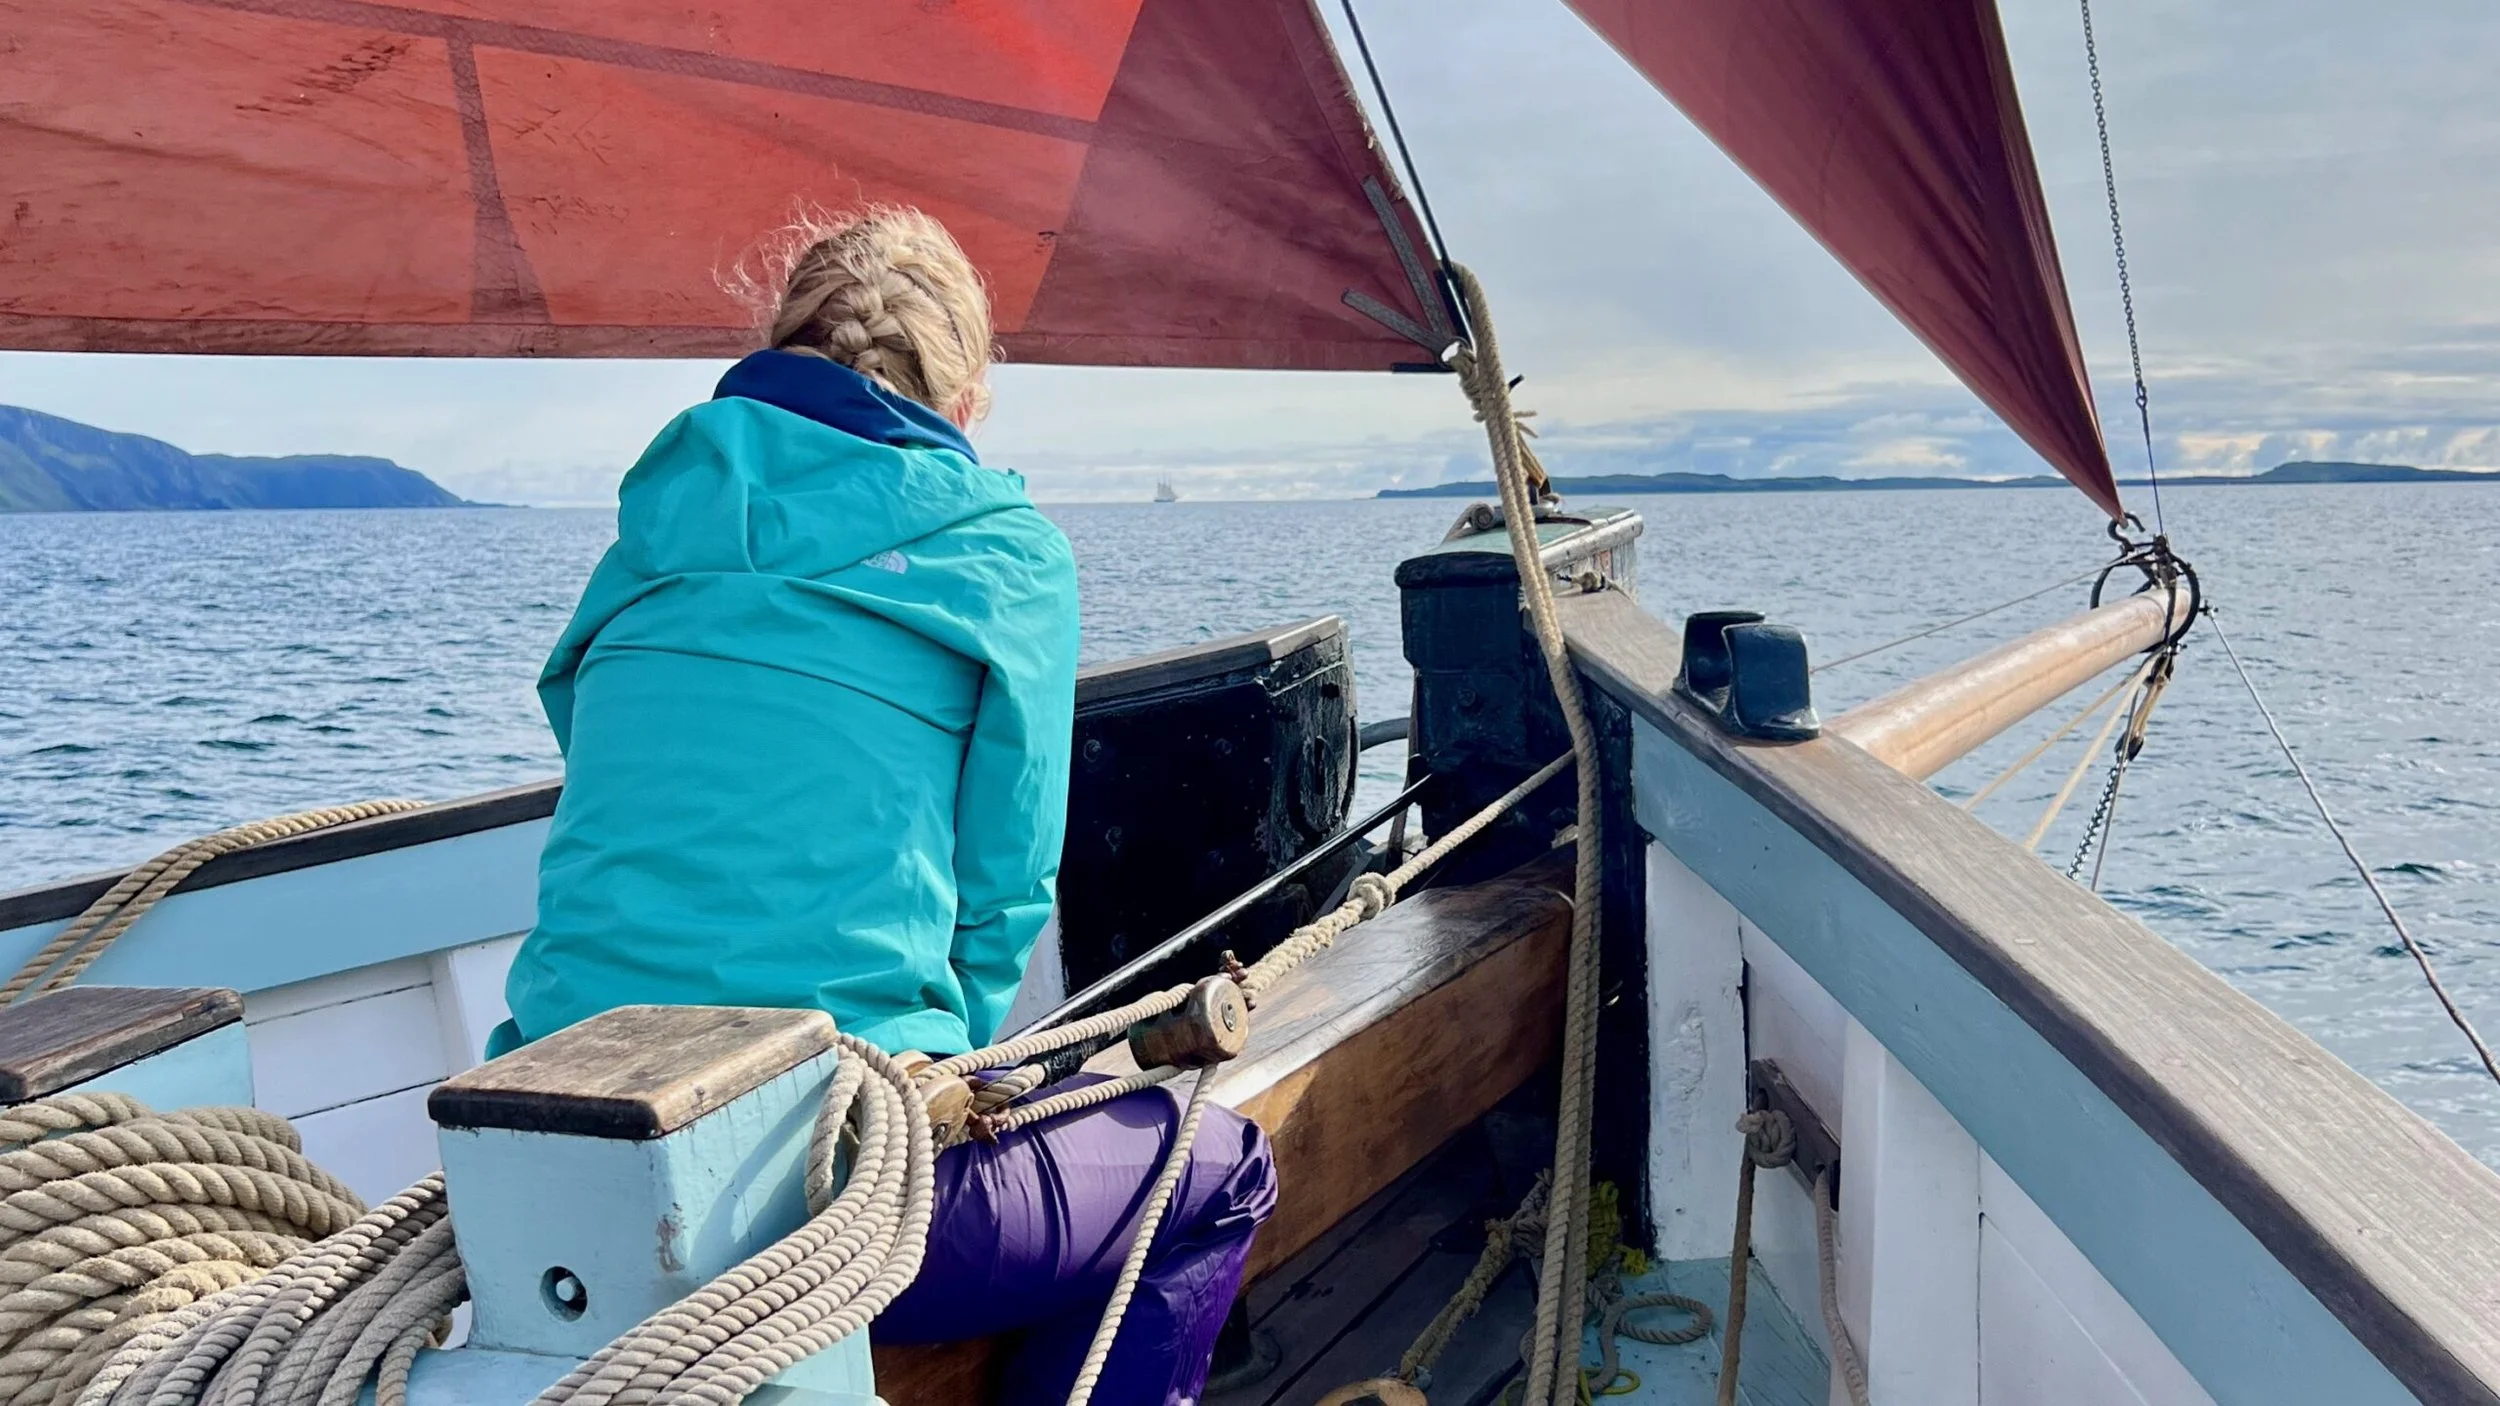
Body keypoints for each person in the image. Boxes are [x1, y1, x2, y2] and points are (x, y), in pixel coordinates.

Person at [495, 206, 1276, 1405]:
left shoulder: (651, 527)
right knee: (1213, 1168)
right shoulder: (1003, 554)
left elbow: (582, 723)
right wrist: (938, 1083)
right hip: (817, 1180)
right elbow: (1004, 887)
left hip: (541, 1161)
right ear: (962, 403)